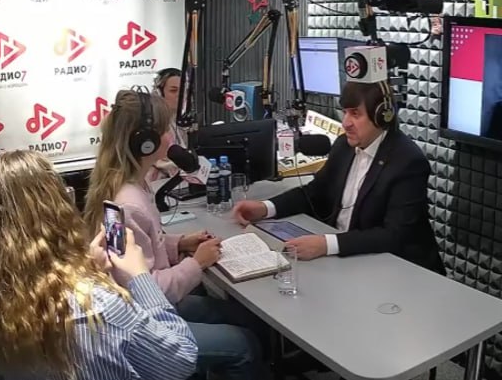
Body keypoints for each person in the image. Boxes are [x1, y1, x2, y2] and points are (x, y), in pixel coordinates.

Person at [0, 150, 198, 380]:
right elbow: (182, 359)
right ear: (59, 208)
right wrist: (140, 276)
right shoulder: (100, 307)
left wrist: (88, 270)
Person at [84, 88, 262, 380]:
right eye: (166, 129)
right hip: (143, 321)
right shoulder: (128, 203)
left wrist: (178, 244)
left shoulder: (129, 185)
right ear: (146, 142)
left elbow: (138, 249)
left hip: (144, 307)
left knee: (245, 317)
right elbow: (143, 287)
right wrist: (197, 263)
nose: (171, 136)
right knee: (245, 345)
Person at [234, 81, 445, 274]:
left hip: (399, 271)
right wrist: (265, 208)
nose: (346, 123)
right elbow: (315, 193)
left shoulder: (407, 161)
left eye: (355, 114)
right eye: (345, 112)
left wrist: (326, 244)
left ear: (383, 116)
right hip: (349, 261)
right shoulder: (344, 145)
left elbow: (394, 235)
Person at [150, 67, 189, 179]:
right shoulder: (154, 124)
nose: (180, 95)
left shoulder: (179, 122)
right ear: (159, 93)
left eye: (183, 90)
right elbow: (160, 162)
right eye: (173, 90)